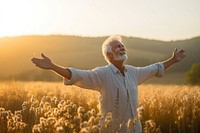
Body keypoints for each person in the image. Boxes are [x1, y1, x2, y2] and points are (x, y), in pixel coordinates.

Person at [31, 35, 185, 133]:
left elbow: (154, 69)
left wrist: (173, 59)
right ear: (110, 55)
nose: (122, 47)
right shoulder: (102, 74)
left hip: (135, 130)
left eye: (122, 45)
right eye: (118, 46)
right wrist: (52, 67)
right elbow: (77, 75)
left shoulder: (133, 72)